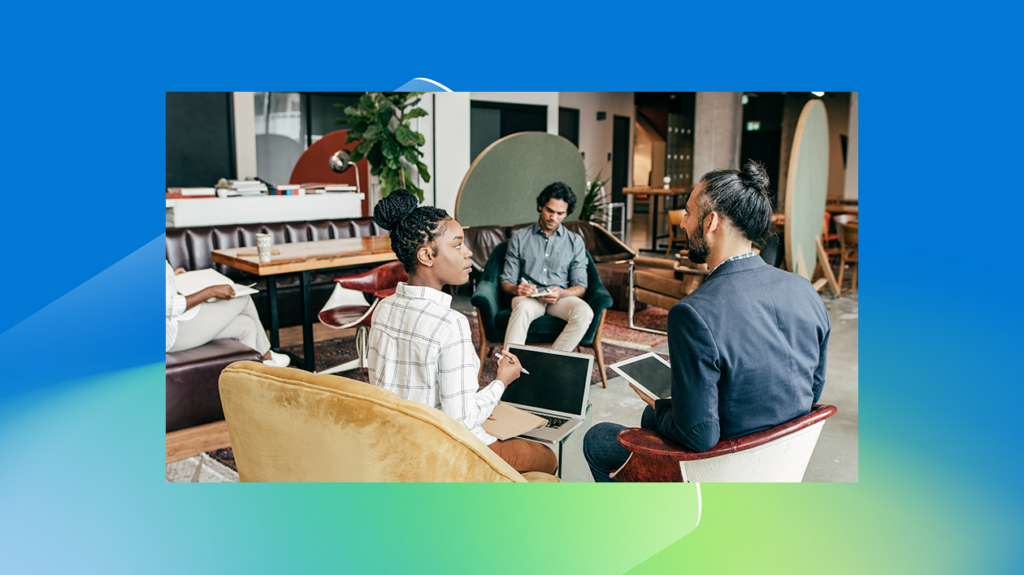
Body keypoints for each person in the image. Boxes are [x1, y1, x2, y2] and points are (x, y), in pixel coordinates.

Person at [583, 161, 830, 482]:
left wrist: (661, 406)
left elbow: (700, 436)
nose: (683, 224)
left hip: (725, 466)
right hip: (781, 459)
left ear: (711, 221)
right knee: (652, 416)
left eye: (688, 213)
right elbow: (813, 390)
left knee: (598, 438)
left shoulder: (694, 313)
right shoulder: (803, 288)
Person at [366, 188, 558, 475]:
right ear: (426, 256)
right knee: (548, 458)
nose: (468, 253)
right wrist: (501, 382)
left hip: (395, 444)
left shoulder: (383, 308)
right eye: (457, 245)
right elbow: (462, 421)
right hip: (445, 451)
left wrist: (476, 401)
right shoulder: (450, 323)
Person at [500, 182, 593, 352]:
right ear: (540, 206)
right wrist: (517, 289)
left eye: (560, 213)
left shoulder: (575, 241)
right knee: (521, 308)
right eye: (549, 210)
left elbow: (581, 286)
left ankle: (551, 361)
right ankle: (509, 366)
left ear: (566, 214)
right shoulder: (520, 238)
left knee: (584, 312)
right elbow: (506, 281)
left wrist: (562, 292)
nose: (553, 218)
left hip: (560, 298)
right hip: (529, 299)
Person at [166, 260, 289, 367]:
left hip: (174, 326)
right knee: (243, 298)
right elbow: (169, 306)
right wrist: (211, 291)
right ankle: (265, 354)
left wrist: (171, 277)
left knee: (247, 325)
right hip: (171, 335)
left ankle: (252, 377)